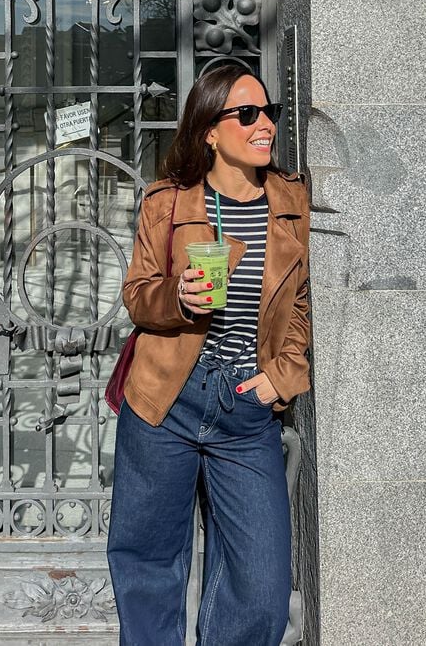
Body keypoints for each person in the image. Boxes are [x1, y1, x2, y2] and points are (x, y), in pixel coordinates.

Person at [107, 64, 311, 646]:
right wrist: (177, 295)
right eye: (246, 114)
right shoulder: (167, 202)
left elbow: (297, 305)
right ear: (209, 131)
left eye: (268, 111)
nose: (264, 123)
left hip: (247, 407)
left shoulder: (289, 202)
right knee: (149, 561)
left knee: (263, 581)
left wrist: (284, 374)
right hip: (167, 399)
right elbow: (137, 297)